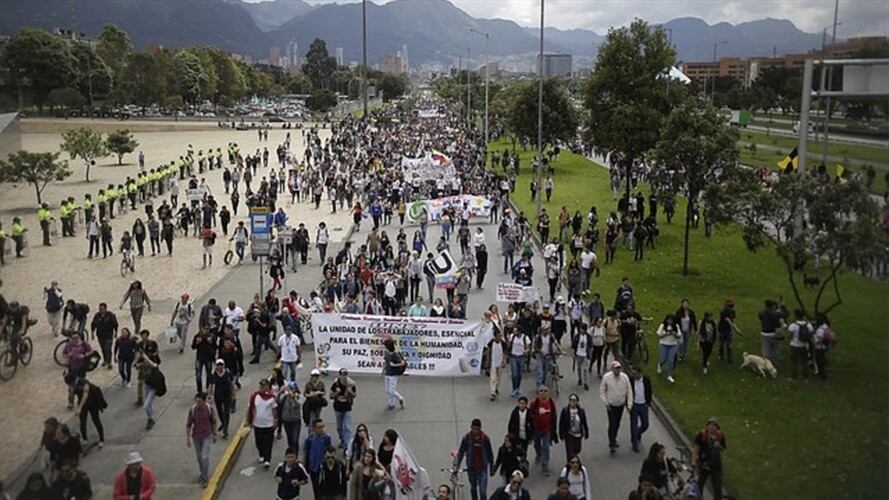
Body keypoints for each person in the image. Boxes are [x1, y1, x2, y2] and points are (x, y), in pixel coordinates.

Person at [453, 418, 495, 500]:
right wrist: (457, 466)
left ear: (480, 429)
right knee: (473, 488)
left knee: (483, 491)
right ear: (471, 427)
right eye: (474, 429)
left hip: (482, 467)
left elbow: (490, 453)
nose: (475, 431)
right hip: (471, 468)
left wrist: (492, 466)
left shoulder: (485, 439)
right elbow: (461, 452)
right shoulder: (467, 438)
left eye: (477, 429)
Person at [599, 360, 632, 454]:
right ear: (612, 369)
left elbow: (629, 391)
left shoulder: (625, 378)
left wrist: (629, 405)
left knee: (617, 424)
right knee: (612, 424)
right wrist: (606, 403)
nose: (617, 370)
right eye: (616, 368)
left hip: (620, 405)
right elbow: (602, 391)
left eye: (619, 368)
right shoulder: (607, 377)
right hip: (611, 406)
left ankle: (614, 438)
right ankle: (612, 442)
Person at [186, 392, 218, 487]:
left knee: (204, 456)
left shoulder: (209, 409)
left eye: (200, 402)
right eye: (197, 402)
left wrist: (214, 434)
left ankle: (204, 477)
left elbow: (213, 422)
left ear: (204, 401)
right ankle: (202, 471)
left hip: (206, 435)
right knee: (199, 457)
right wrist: (188, 438)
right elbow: (189, 424)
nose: (198, 404)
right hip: (196, 436)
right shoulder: (192, 410)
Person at [247, 378, 278, 468]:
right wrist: (249, 421)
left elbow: (274, 410)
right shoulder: (254, 396)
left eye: (264, 386)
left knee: (268, 442)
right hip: (257, 423)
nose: (262, 387)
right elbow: (251, 409)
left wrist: (275, 421)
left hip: (268, 423)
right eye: (261, 386)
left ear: (268, 387)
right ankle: (262, 454)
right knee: (259, 442)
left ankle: (267, 459)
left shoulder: (272, 398)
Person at [693, 418, 726, 500]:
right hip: (704, 464)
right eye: (710, 425)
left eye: (714, 425)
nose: (712, 427)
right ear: (707, 426)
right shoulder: (702, 434)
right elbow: (696, 448)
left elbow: (723, 448)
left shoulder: (720, 435)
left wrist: (719, 446)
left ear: (717, 428)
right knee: (700, 484)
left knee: (718, 487)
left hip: (716, 465)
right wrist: (694, 461)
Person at [529, 385, 558, 475]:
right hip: (537, 429)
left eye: (545, 391)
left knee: (546, 447)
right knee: (537, 444)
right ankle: (539, 454)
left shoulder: (551, 402)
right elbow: (529, 413)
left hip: (547, 429)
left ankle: (545, 464)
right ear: (538, 393)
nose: (543, 393)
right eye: (541, 391)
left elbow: (554, 415)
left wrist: (554, 428)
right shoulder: (535, 403)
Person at [73, 377, 107, 448]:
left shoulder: (84, 382)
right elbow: (76, 397)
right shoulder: (73, 386)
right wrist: (76, 407)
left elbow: (85, 395)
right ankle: (85, 439)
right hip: (84, 404)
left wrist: (79, 407)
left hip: (92, 403)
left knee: (96, 420)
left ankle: (101, 439)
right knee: (82, 421)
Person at [304, 419, 334, 498]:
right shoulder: (309, 438)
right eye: (319, 427)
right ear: (314, 428)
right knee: (316, 487)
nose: (321, 429)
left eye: (322, 427)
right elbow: (306, 452)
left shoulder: (326, 437)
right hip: (313, 467)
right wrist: (305, 465)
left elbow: (330, 451)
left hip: (323, 467)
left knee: (324, 487)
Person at [207, 359, 236, 439]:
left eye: (221, 365)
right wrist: (209, 395)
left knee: (226, 412)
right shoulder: (213, 375)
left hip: (227, 395)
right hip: (218, 395)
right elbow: (211, 385)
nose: (219, 367)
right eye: (218, 365)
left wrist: (233, 393)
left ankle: (225, 429)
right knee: (220, 411)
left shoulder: (228, 373)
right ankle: (223, 423)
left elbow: (232, 383)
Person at [330, 368, 357, 449]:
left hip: (347, 407)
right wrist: (336, 393)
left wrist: (350, 392)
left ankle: (347, 446)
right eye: (342, 375)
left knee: (347, 427)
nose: (344, 377)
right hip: (338, 407)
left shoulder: (351, 384)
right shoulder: (336, 384)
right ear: (340, 375)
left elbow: (355, 395)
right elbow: (331, 396)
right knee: (339, 427)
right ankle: (342, 440)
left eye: (346, 375)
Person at [557, 394, 589, 462]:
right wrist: (561, 434)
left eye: (574, 400)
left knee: (577, 449)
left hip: (578, 434)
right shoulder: (565, 411)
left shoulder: (581, 411)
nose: (572, 402)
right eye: (570, 400)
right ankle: (570, 464)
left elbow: (584, 422)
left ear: (577, 401)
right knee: (570, 450)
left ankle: (573, 458)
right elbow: (561, 423)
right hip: (569, 434)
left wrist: (586, 432)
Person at [629, 365, 652, 453]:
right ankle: (634, 442)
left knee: (645, 424)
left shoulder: (646, 379)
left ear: (640, 373)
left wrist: (648, 402)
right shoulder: (631, 380)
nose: (634, 375)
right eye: (632, 373)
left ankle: (637, 433)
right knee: (633, 425)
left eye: (635, 373)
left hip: (643, 405)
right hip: (634, 405)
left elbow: (649, 391)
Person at [758, 299, 787, 367]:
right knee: (775, 350)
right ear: (773, 306)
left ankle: (765, 364)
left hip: (764, 333)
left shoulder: (761, 313)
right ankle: (776, 364)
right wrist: (783, 307)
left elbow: (760, 318)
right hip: (774, 333)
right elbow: (785, 315)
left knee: (765, 350)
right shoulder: (777, 313)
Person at [90, 303, 118, 369]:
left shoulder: (110, 315)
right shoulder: (97, 315)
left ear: (105, 309)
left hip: (109, 335)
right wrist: (92, 333)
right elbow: (93, 324)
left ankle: (109, 362)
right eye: (100, 309)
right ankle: (105, 360)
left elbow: (115, 324)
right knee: (103, 348)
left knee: (108, 348)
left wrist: (116, 332)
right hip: (100, 335)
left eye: (102, 309)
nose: (100, 310)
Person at [787, 309, 813, 379]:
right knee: (804, 361)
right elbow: (811, 334)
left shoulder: (793, 325)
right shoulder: (808, 325)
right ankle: (806, 376)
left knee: (794, 362)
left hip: (794, 345)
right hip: (804, 345)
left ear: (796, 316)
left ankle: (793, 376)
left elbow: (789, 335)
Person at [655, 314, 681, 384]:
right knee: (663, 358)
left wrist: (673, 333)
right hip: (663, 344)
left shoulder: (676, 326)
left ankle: (669, 375)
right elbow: (658, 336)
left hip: (673, 345)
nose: (670, 322)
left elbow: (679, 336)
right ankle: (660, 364)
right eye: (668, 320)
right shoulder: (662, 326)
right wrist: (666, 334)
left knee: (671, 360)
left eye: (671, 320)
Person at [382, 338, 406, 410]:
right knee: (387, 390)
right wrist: (383, 370)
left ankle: (400, 398)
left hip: (393, 375)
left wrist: (394, 365)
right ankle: (391, 404)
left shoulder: (395, 355)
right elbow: (386, 362)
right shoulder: (386, 353)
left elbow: (402, 363)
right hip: (387, 373)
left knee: (391, 390)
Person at [507, 327, 530, 397]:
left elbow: (528, 346)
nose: (514, 332)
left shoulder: (525, 337)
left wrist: (526, 351)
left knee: (520, 374)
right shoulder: (512, 336)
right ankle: (514, 388)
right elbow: (508, 345)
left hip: (521, 357)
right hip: (513, 357)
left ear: (519, 331)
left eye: (516, 331)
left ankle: (518, 387)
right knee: (514, 374)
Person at [486, 328, 508, 400]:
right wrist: (487, 363)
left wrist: (504, 361)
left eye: (500, 336)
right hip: (493, 363)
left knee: (498, 378)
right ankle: (492, 393)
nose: (499, 338)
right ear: (495, 336)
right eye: (498, 336)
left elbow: (505, 353)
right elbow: (488, 352)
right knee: (493, 378)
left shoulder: (503, 343)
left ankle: (496, 388)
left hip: (500, 363)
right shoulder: (491, 343)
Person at [717, 299, 741, 364]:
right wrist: (736, 329)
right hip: (722, 330)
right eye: (729, 306)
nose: (731, 308)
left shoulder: (733, 312)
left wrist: (735, 327)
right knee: (721, 344)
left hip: (728, 331)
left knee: (729, 346)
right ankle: (721, 355)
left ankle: (729, 359)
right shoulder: (723, 312)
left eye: (732, 306)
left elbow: (733, 321)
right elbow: (729, 321)